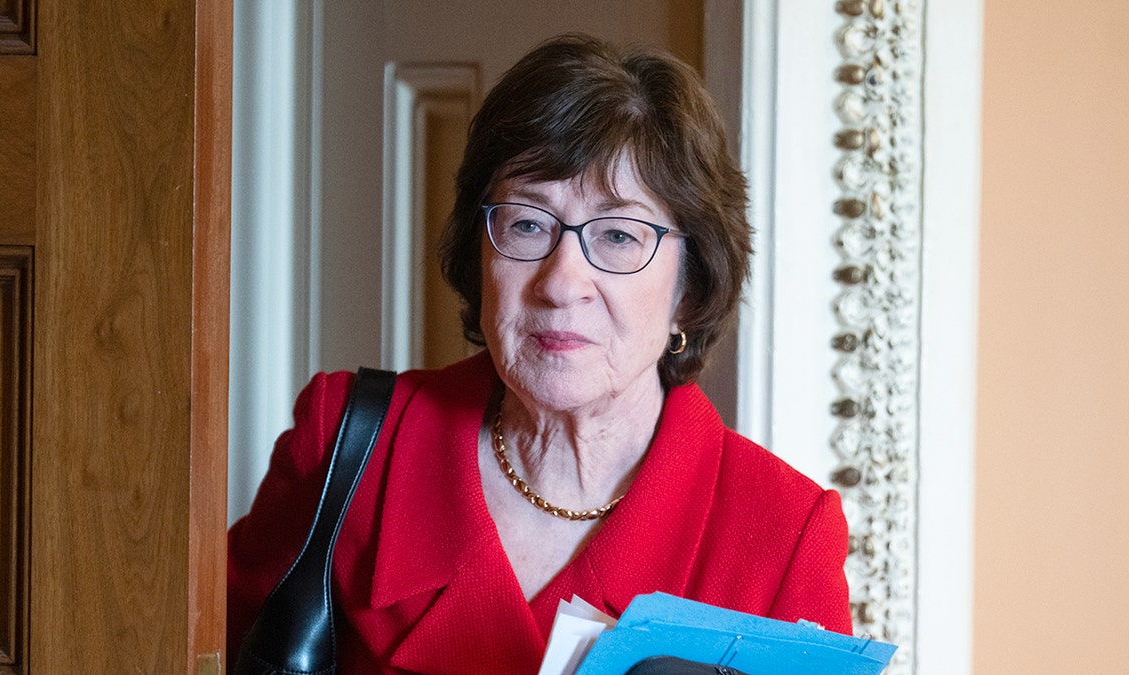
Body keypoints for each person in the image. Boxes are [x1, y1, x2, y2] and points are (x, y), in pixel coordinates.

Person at [228, 33, 852, 673]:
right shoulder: (350, 448)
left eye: (617, 235)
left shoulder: (782, 535)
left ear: (689, 290)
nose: (560, 282)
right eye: (528, 223)